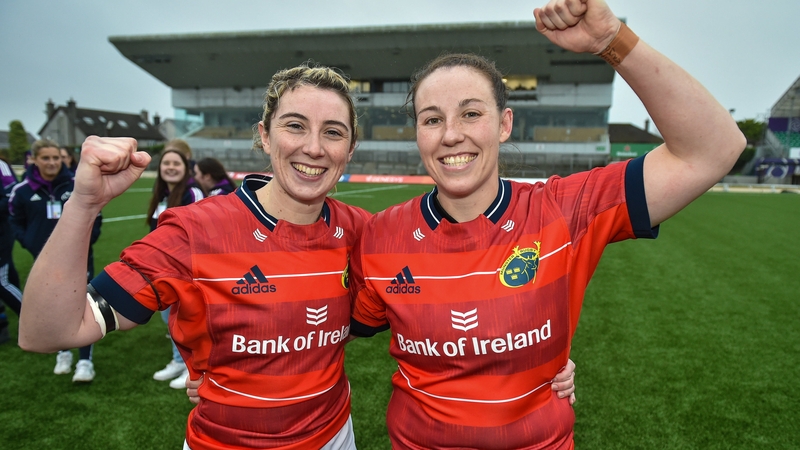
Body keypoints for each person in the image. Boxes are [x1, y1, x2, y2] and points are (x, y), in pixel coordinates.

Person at [18, 63, 575, 449]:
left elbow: (444, 296)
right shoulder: (193, 230)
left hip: (335, 438)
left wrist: (533, 366)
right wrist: (84, 202)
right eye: (295, 126)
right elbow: (47, 331)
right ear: (265, 136)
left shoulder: (364, 232)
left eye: (332, 132)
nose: (313, 147)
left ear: (349, 152)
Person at [347, 0, 746, 448]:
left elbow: (713, 149)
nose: (450, 134)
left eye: (471, 113)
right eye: (432, 119)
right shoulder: (381, 235)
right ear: (418, 132)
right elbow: (322, 328)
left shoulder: (563, 210)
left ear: (504, 124)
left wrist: (612, 41)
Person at [10, 139, 103, 382]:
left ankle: (85, 361)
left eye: (56, 158)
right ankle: (63, 352)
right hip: (44, 261)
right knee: (53, 304)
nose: (52, 162)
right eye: (46, 158)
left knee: (83, 304)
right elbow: (14, 221)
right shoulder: (22, 191)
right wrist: (28, 240)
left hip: (80, 259)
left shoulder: (77, 185)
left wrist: (85, 242)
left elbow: (96, 215)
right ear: (34, 160)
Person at [147, 147, 204, 389]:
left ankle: (195, 368)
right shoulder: (161, 194)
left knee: (188, 319)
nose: (170, 167)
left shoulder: (193, 192)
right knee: (168, 317)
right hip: (163, 267)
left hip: (187, 268)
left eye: (176, 163)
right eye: (166, 163)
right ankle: (179, 360)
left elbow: (202, 231)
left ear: (186, 168)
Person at [0, 156, 21, 344]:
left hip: (1, 230)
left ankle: (32, 318)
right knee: (9, 273)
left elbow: (10, 196)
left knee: (2, 280)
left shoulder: (1, 166)